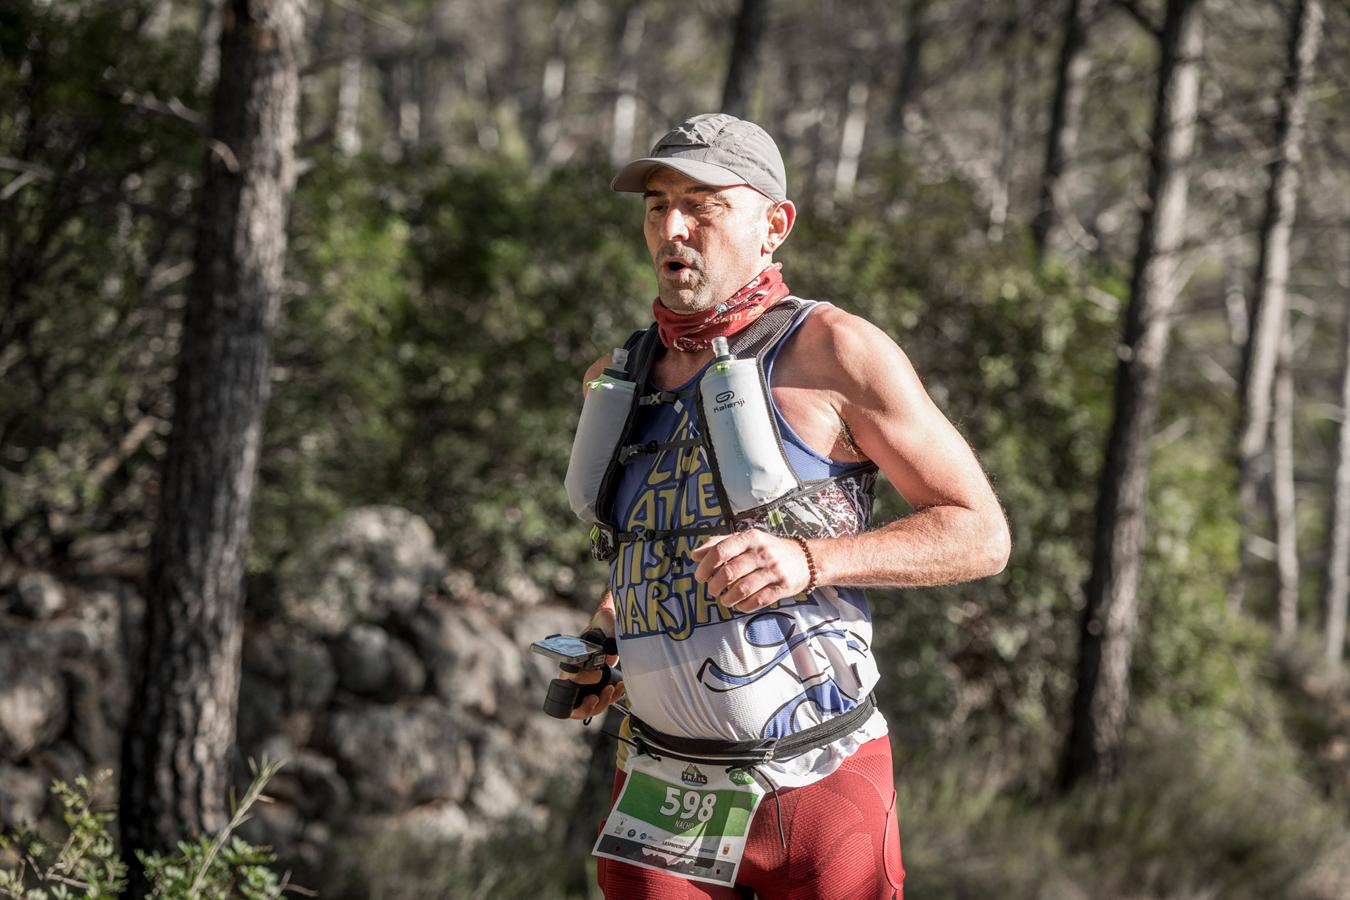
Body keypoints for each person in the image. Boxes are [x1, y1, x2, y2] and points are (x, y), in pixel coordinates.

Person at [560, 113, 1010, 900]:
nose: (673, 226)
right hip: (663, 786)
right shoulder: (619, 375)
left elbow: (980, 533)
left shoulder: (835, 351)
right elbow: (651, 542)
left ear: (774, 225)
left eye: (704, 204)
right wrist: (611, 632)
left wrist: (811, 560)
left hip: (820, 779)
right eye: (658, 203)